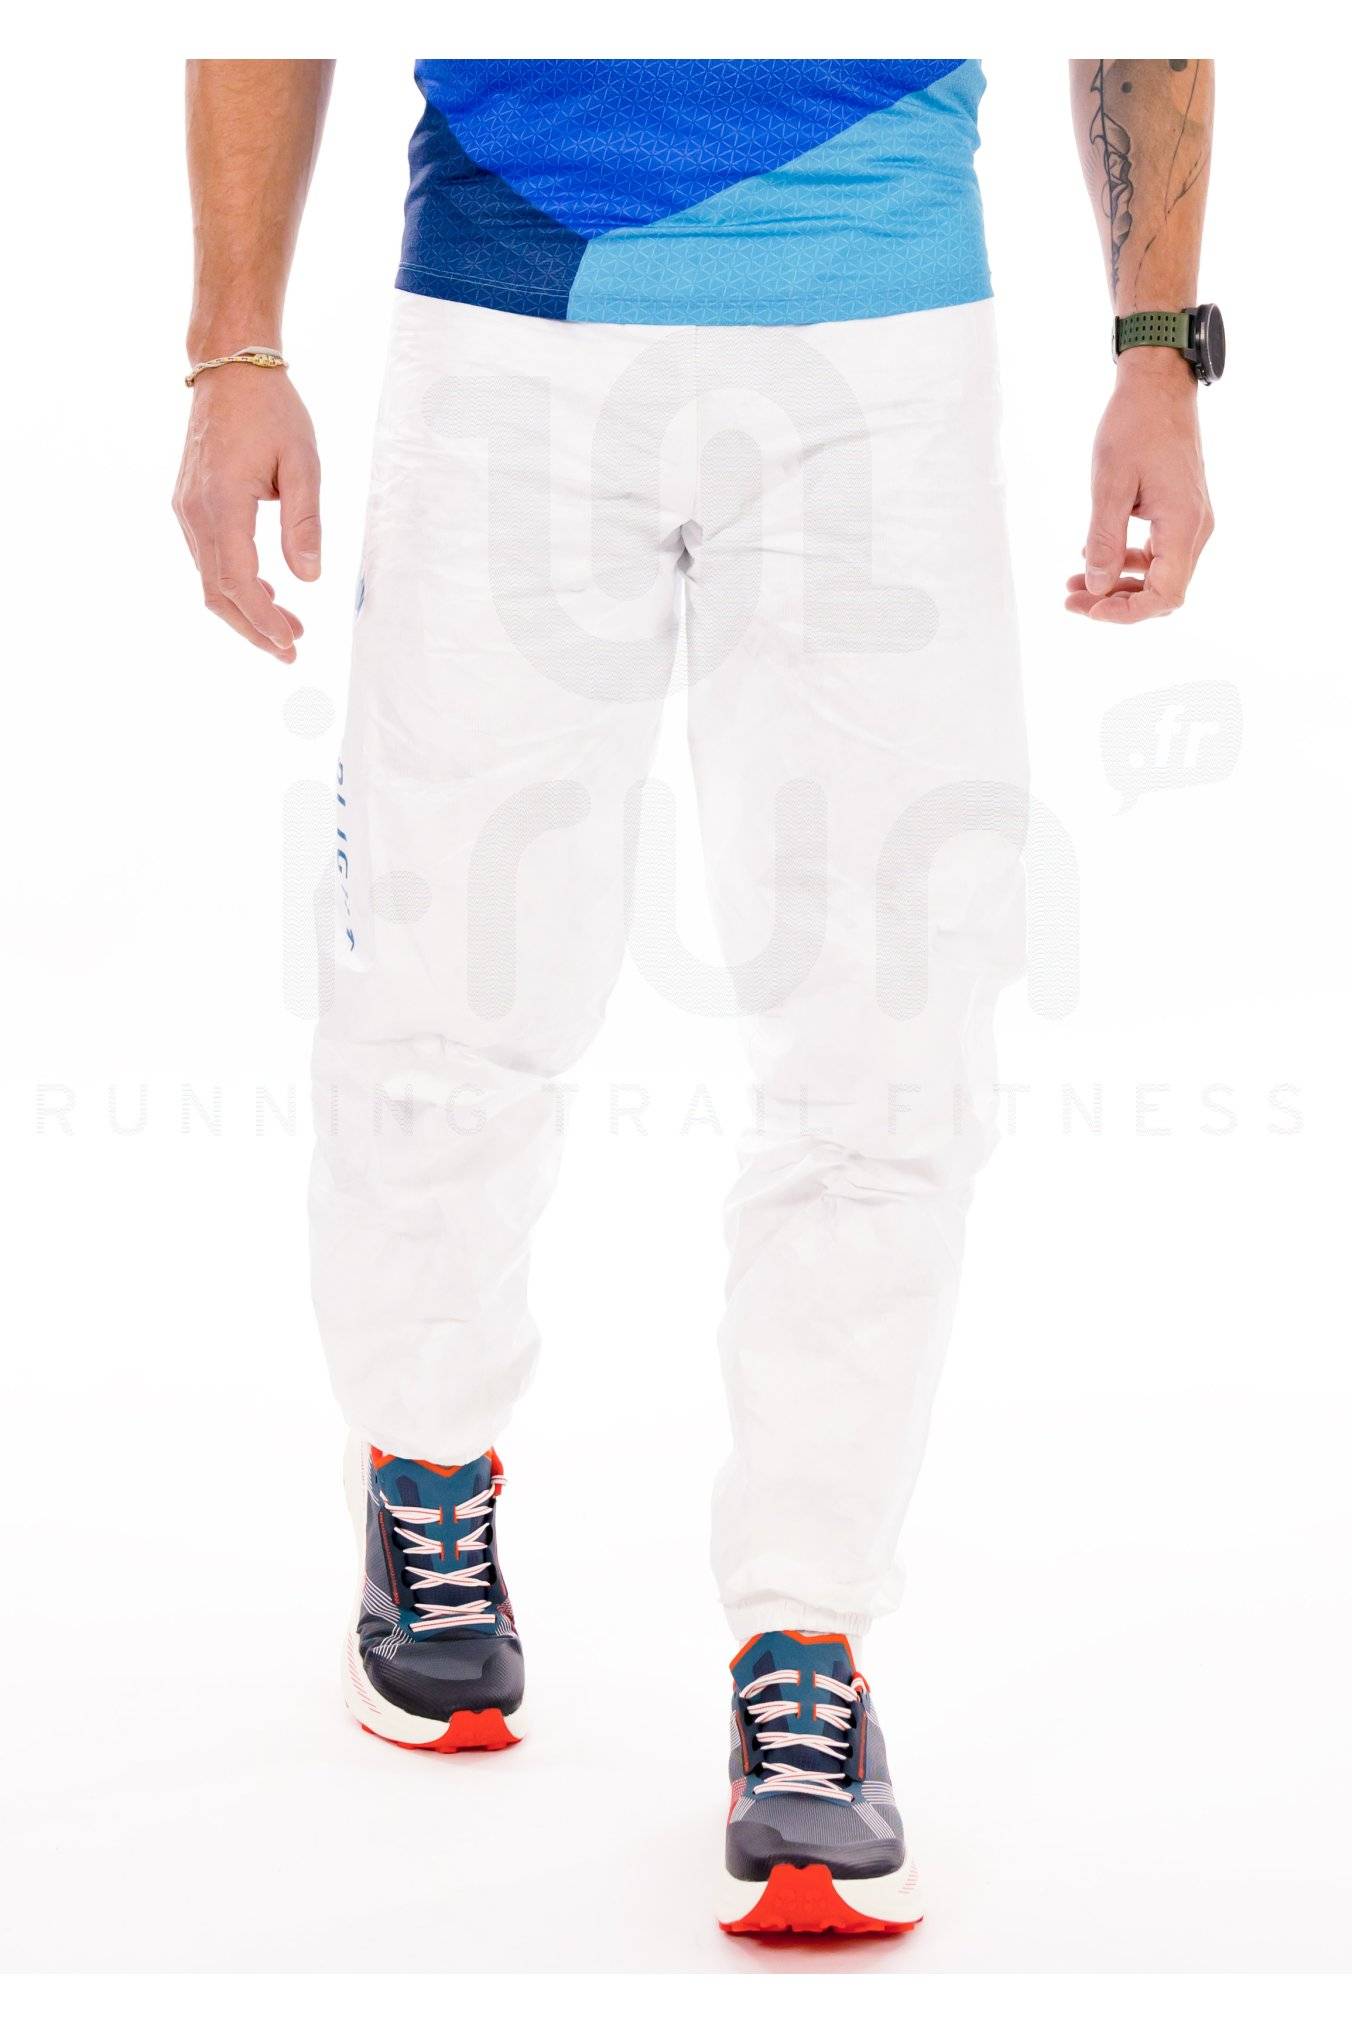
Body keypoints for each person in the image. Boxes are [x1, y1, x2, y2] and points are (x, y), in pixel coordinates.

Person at [174, 58, 1218, 1936]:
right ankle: (422, 1458)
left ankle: (805, 1642)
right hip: (507, 314)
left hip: (882, 339)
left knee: (888, 1045)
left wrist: (1159, 347)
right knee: (443, 997)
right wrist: (232, 348)